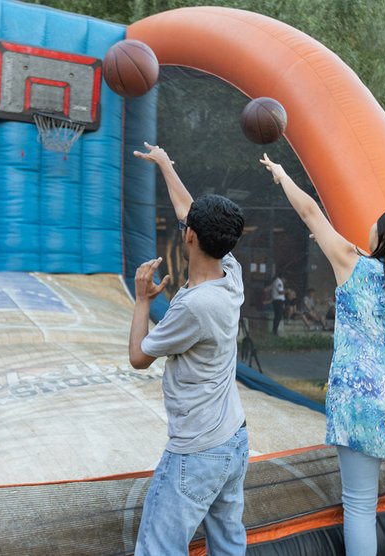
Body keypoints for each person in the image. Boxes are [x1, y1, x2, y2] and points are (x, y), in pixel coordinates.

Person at [260, 153, 385, 555]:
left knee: (360, 506)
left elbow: (311, 211)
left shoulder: (350, 263)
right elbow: (380, 266)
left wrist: (281, 176)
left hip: (361, 397)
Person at [129, 142, 249, 556]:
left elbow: (139, 356)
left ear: (191, 237)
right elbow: (189, 212)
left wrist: (143, 300)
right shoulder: (231, 272)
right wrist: (165, 163)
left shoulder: (195, 307)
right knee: (229, 544)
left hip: (197, 452)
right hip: (233, 438)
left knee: (157, 549)